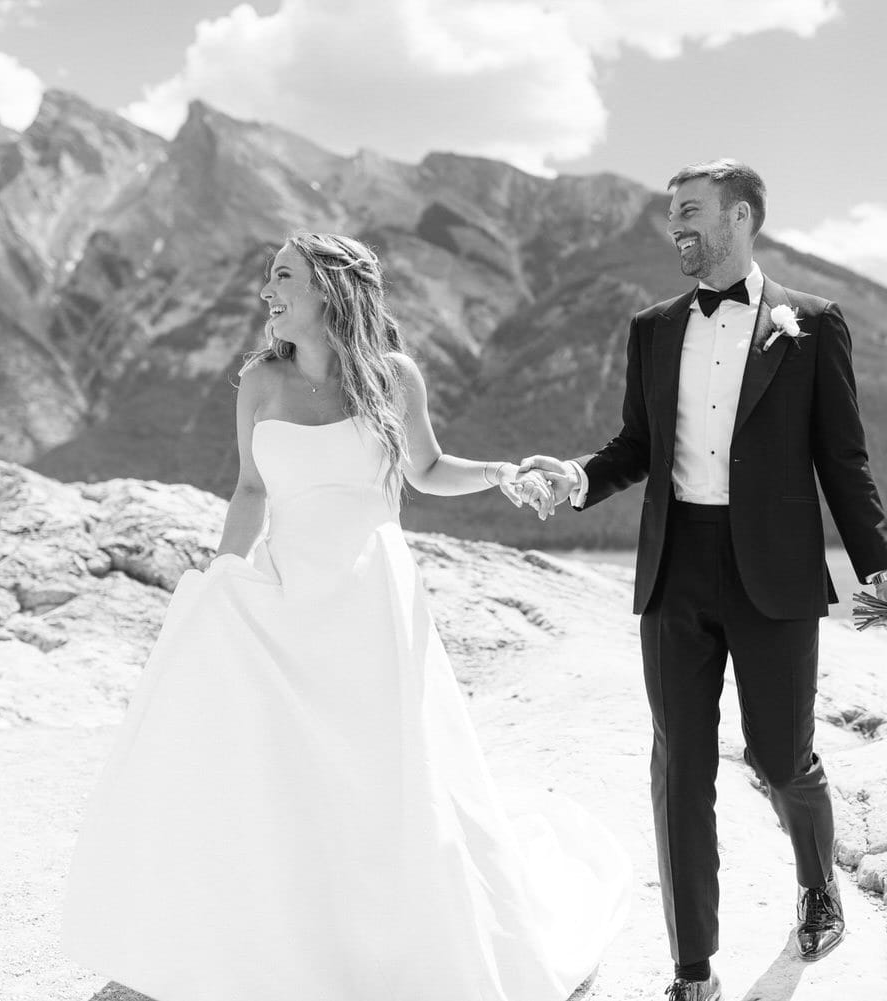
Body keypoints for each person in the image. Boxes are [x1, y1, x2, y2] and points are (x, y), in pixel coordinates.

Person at [61, 232, 631, 1001]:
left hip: (373, 597)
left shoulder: (393, 376)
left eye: (284, 276)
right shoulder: (259, 381)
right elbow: (251, 491)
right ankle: (291, 940)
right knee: (292, 769)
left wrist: (501, 473)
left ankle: (403, 945)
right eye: (268, 276)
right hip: (289, 593)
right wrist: (223, 576)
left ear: (330, 289)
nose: (267, 290)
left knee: (385, 769)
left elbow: (426, 468)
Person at [519, 159, 887, 1001]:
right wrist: (580, 480)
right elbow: (637, 446)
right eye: (673, 214)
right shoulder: (653, 327)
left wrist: (881, 569)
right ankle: (691, 970)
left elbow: (843, 463)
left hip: (772, 574)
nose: (677, 227)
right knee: (680, 768)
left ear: (741, 217)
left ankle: (817, 886)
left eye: (691, 211)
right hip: (676, 570)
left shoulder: (812, 324)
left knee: (782, 758)